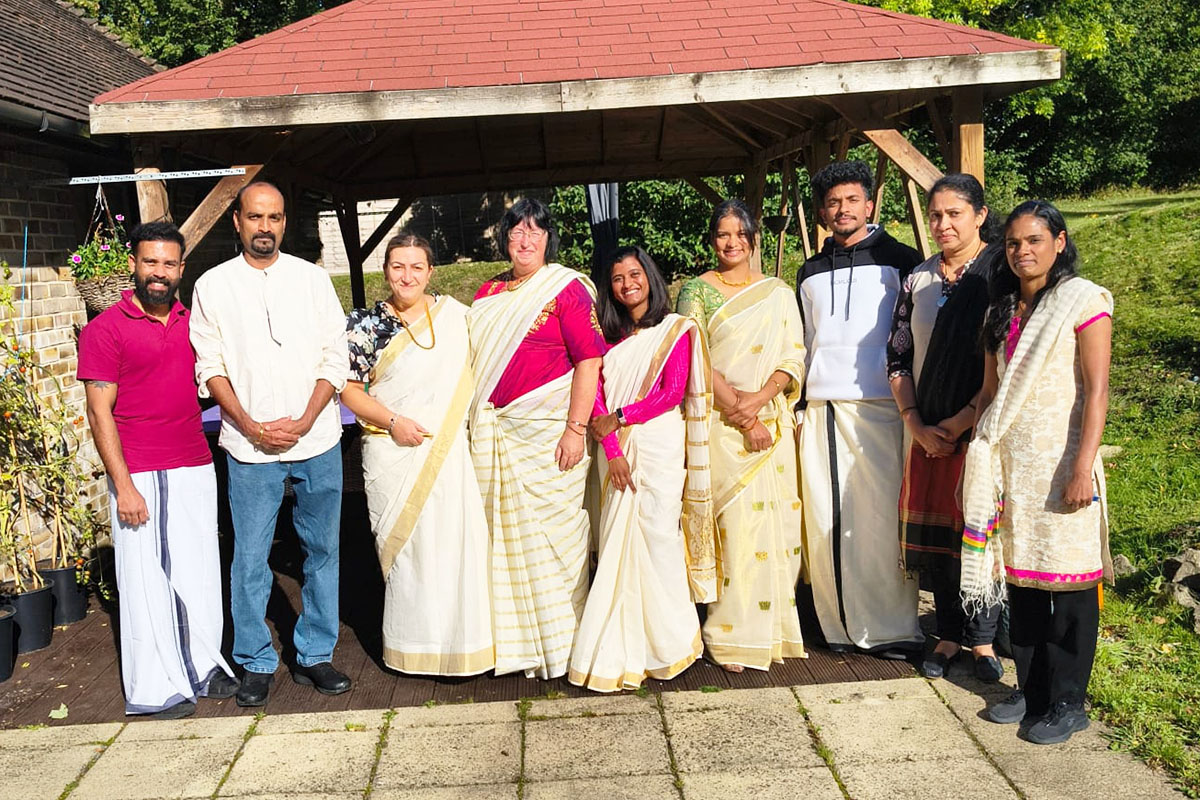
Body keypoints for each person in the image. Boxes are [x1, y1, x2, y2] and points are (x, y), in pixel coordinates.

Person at [190, 181, 351, 707]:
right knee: (251, 557)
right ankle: (256, 659)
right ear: (236, 220)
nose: (266, 227)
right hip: (247, 446)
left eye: (275, 217)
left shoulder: (312, 279)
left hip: (319, 438)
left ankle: (315, 655)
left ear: (285, 221)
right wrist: (252, 426)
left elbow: (335, 356)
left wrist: (306, 418)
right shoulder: (212, 286)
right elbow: (209, 367)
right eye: (256, 217)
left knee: (322, 551)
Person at [962, 200, 1113, 745]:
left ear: (1059, 241)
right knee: (1022, 581)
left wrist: (1081, 469)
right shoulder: (998, 311)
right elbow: (988, 393)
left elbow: (1097, 391)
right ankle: (1032, 690)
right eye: (1013, 243)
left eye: (1034, 240)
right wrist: (977, 460)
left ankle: (1069, 702)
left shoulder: (1082, 300)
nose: (1023, 251)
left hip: (1062, 464)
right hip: (1011, 468)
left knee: (1070, 586)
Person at [78, 221, 237, 719]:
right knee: (148, 578)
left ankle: (201, 665)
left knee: (198, 570)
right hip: (142, 472)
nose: (159, 272)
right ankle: (153, 687)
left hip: (194, 462)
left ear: (181, 269)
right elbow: (98, 412)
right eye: (150, 262)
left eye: (169, 263)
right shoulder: (107, 329)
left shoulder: (195, 321)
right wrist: (123, 486)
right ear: (133, 264)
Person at [340, 233, 493, 676]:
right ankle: (412, 647)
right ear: (386, 271)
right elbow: (347, 389)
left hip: (449, 452)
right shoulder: (364, 325)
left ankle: (465, 647)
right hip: (393, 449)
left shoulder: (457, 318)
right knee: (409, 554)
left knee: (454, 545)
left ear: (430, 272)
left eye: (416, 267)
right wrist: (393, 422)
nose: (406, 276)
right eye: (397, 267)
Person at [467, 197, 606, 680]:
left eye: (535, 232)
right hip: (494, 434)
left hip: (549, 437)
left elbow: (590, 360)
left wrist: (575, 429)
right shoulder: (487, 293)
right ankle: (510, 648)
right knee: (498, 540)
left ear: (548, 239)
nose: (525, 240)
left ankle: (565, 645)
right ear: (504, 239)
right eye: (516, 232)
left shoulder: (565, 289)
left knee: (558, 539)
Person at [568, 246, 717, 692]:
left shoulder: (675, 331)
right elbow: (595, 400)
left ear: (650, 276)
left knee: (658, 538)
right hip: (616, 453)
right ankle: (620, 644)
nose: (627, 283)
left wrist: (623, 418)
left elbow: (672, 392)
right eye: (617, 278)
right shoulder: (606, 339)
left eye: (635, 274)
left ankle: (668, 645)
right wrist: (612, 449)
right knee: (617, 539)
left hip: (657, 446)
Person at [796, 160, 925, 659]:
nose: (842, 209)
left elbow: (912, 337)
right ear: (823, 212)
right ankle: (837, 629)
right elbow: (805, 341)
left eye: (851, 200)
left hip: (883, 408)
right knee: (826, 519)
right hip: (823, 406)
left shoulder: (902, 261)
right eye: (832, 202)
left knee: (879, 521)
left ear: (869, 204)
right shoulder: (808, 271)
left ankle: (892, 627)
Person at [675, 199, 807, 673]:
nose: (731, 242)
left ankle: (775, 631)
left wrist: (762, 401)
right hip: (724, 426)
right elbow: (693, 358)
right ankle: (731, 636)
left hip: (771, 423)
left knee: (777, 527)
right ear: (712, 241)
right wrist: (744, 416)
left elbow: (793, 355)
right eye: (721, 234)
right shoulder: (697, 290)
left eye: (739, 234)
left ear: (753, 238)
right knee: (733, 532)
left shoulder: (777, 292)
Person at [886, 174, 1003, 681]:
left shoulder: (998, 274)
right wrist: (915, 422)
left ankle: (983, 641)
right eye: (935, 215)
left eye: (955, 213)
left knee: (978, 533)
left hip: (980, 430)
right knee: (936, 538)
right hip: (927, 432)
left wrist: (960, 422)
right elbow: (897, 358)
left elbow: (1005, 358)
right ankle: (949, 634)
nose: (943, 224)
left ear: (979, 215)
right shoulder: (918, 279)